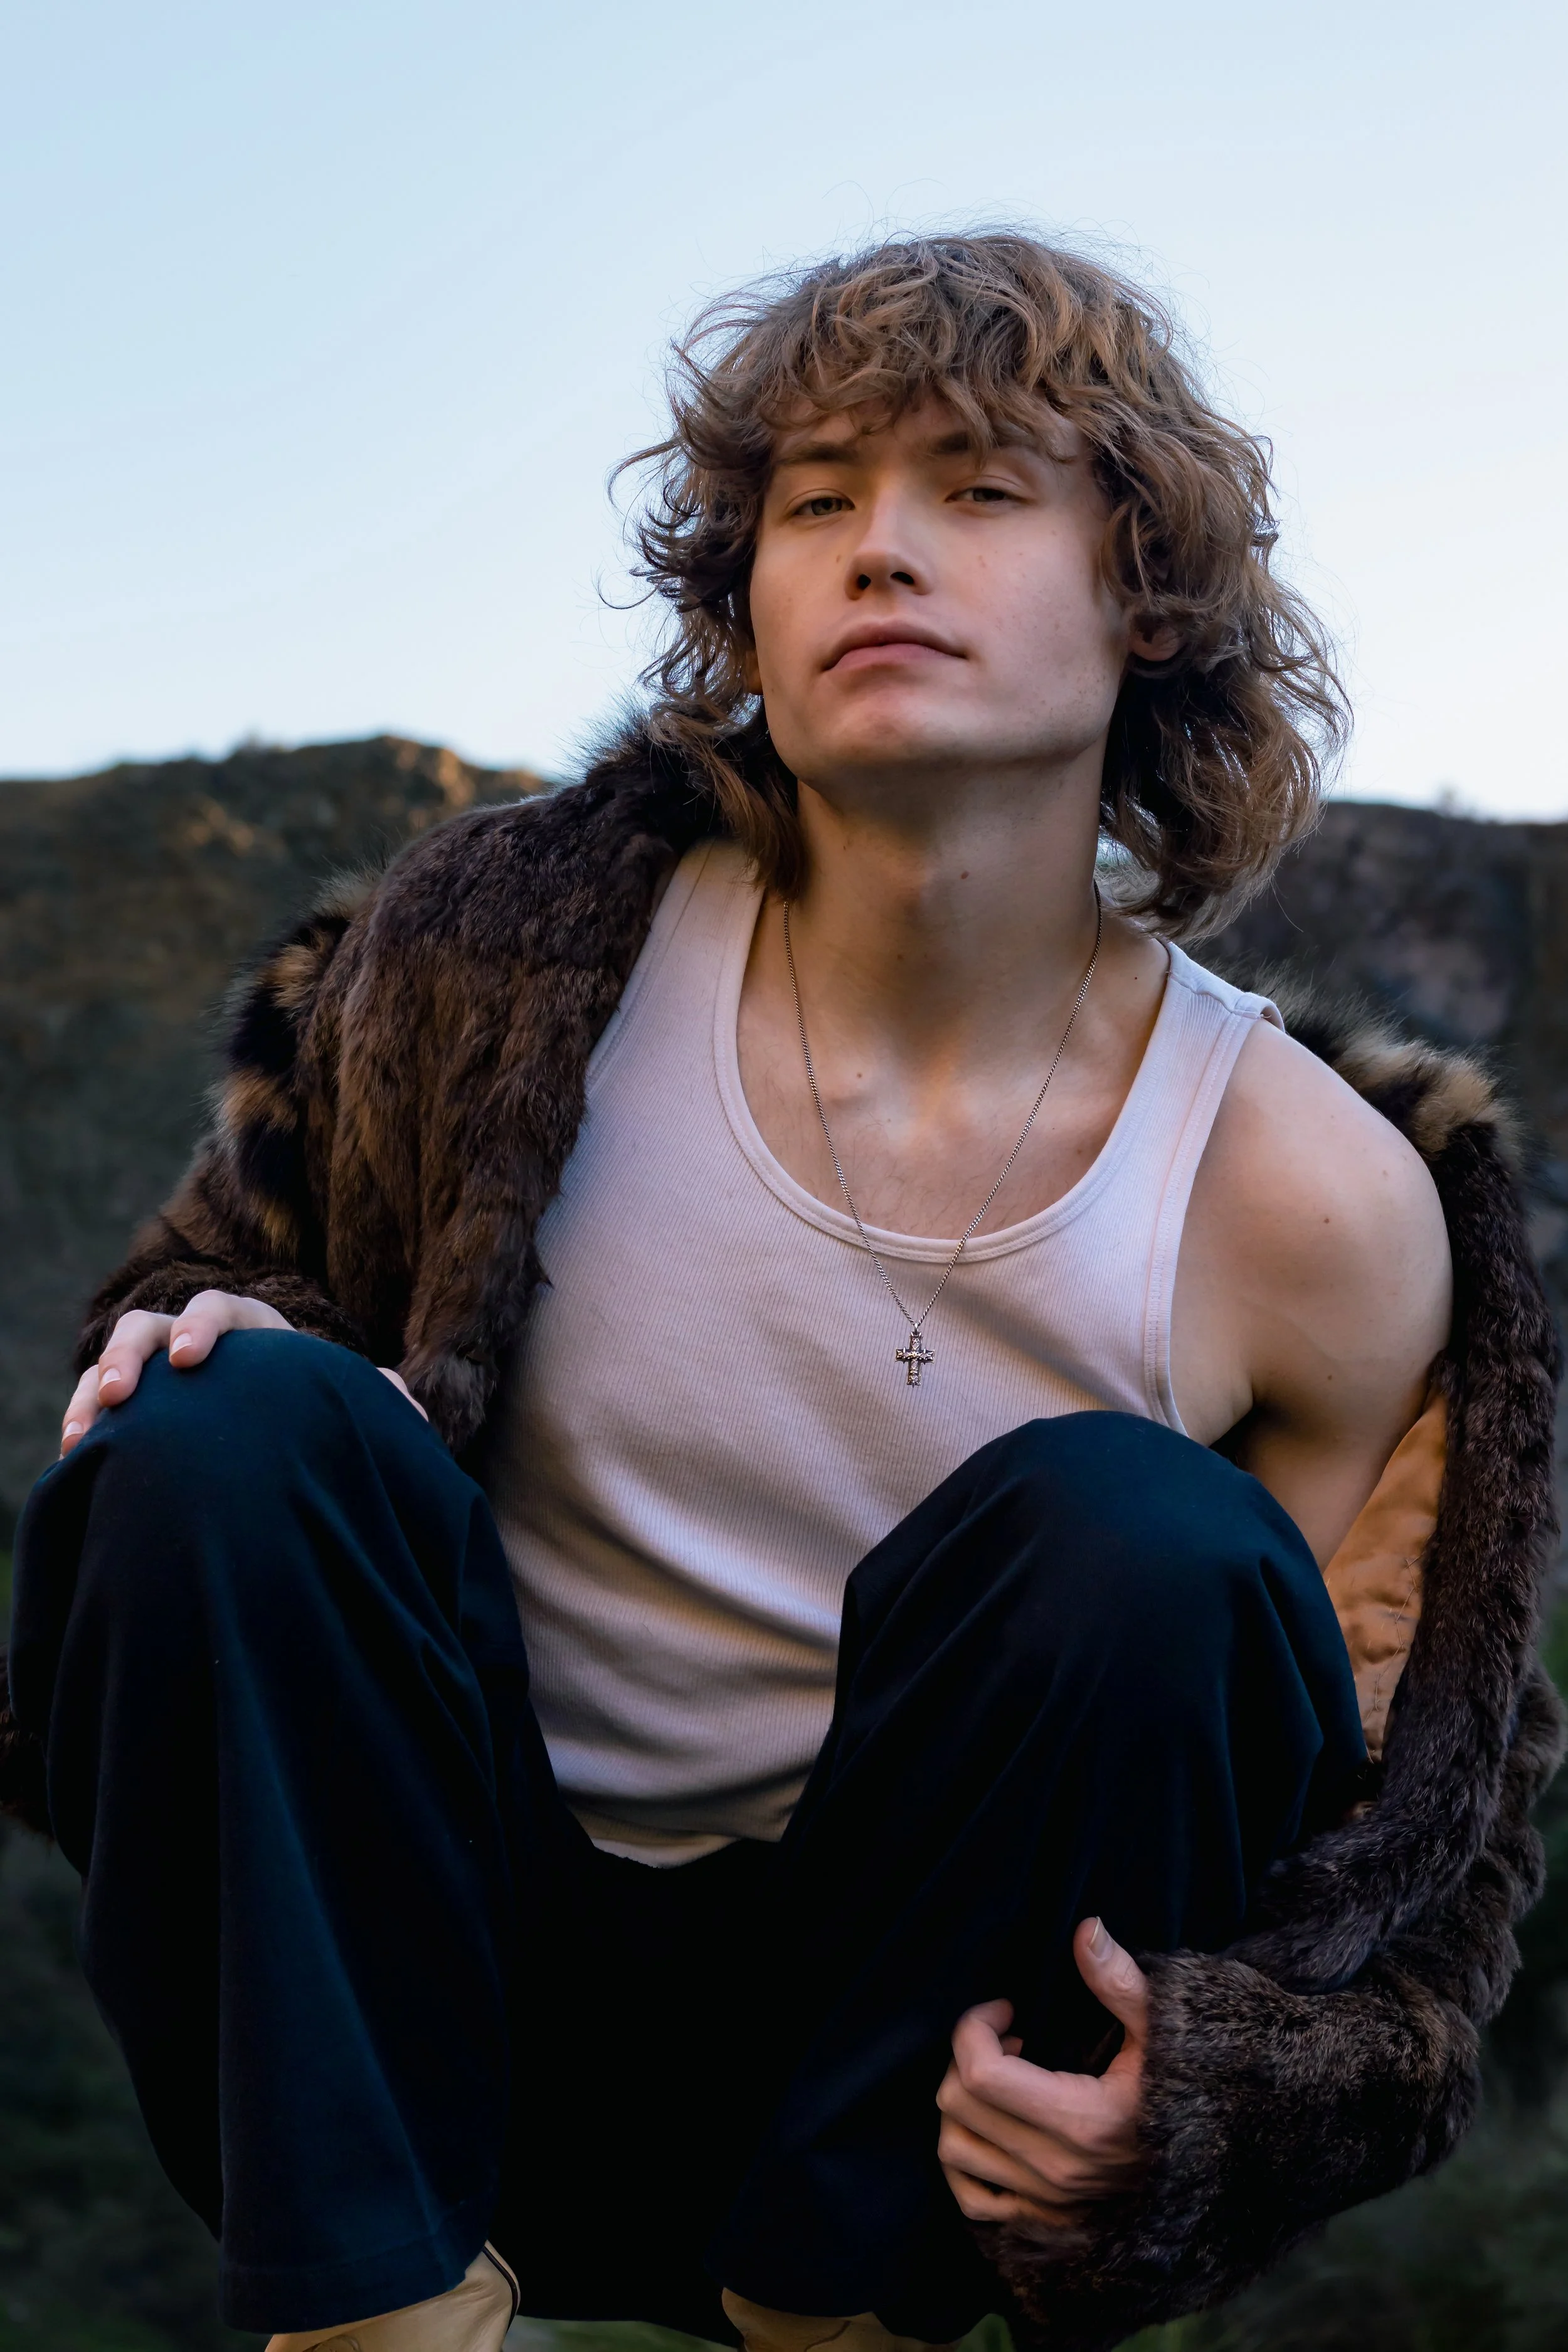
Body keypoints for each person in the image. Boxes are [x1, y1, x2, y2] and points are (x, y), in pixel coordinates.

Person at [1, 235, 1559, 2352]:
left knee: (1147, 1542)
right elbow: (210, 1333)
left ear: (1149, 597)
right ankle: (377, 2317)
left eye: (977, 490)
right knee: (224, 1424)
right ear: (744, 595)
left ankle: (836, 2325)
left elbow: (1390, 1831)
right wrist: (229, 1342)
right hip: (433, 1977)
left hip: (898, 2096)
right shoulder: (504, 952)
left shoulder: (1311, 1204)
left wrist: (1197, 2107)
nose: (875, 549)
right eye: (813, 501)